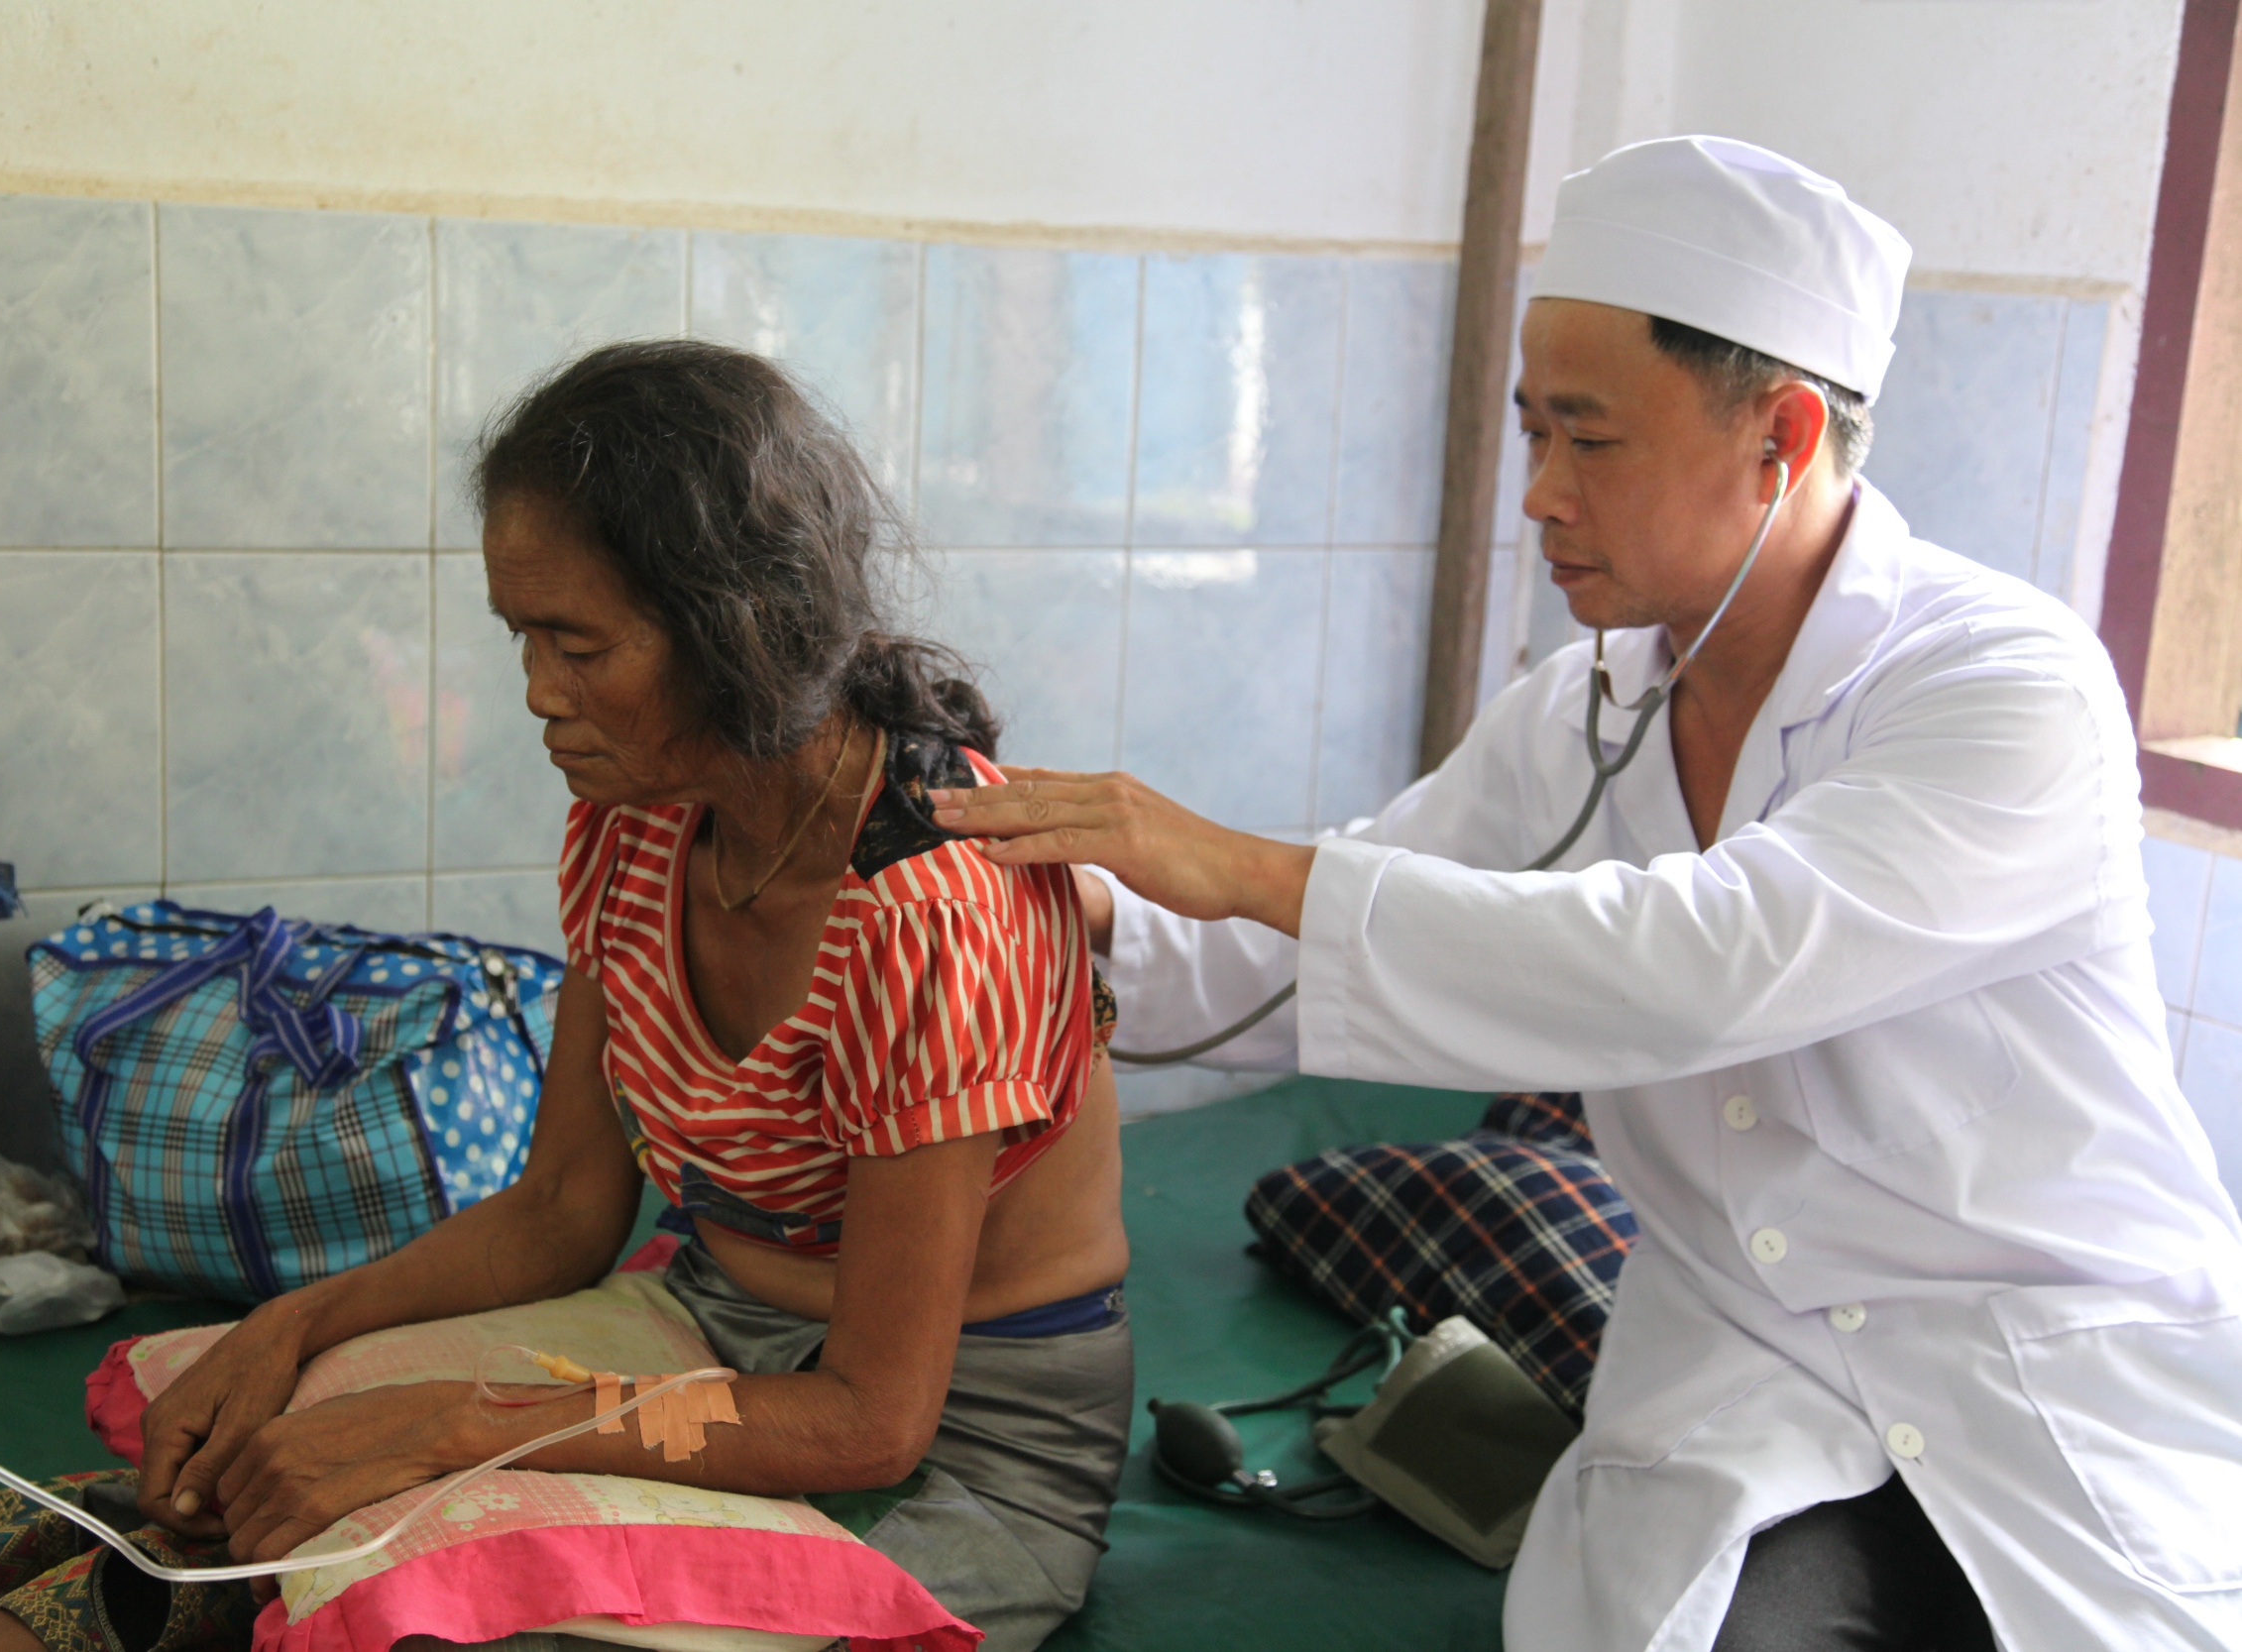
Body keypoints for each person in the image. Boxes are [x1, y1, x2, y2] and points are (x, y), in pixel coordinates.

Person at [932, 137, 2242, 1651]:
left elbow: (1711, 962)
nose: (1541, 495)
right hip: (1750, 1369)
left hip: (2046, 1357)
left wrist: (1243, 860)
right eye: (1531, 432)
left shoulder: (2004, 684)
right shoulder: (1585, 710)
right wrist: (1072, 914)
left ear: (1781, 433)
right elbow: (1302, 955)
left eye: (1590, 440)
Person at [0, 340, 1132, 1652]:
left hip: (952, 1449)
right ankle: (186, 1590)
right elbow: (560, 1210)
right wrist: (286, 1327)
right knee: (298, 1426)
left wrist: (455, 1430)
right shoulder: (643, 821)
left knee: (450, 1570)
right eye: (523, 638)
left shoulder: (933, 904)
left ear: (739, 628)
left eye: (577, 644)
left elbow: (868, 1424)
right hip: (709, 1340)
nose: (539, 693)